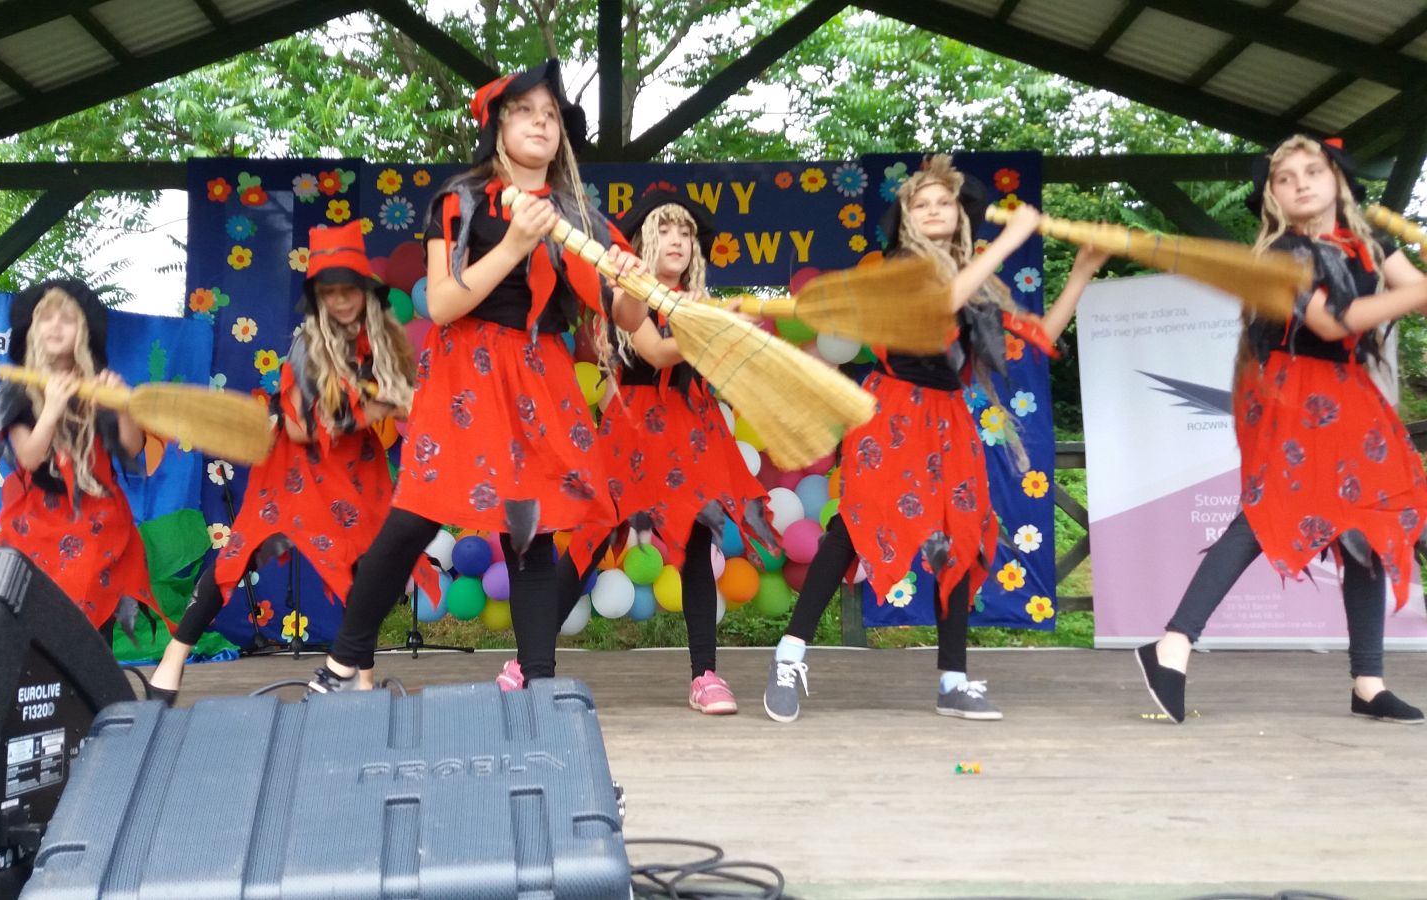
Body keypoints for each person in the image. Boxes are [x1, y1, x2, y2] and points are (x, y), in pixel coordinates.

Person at [307, 59, 648, 694]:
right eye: (525, 111)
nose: (541, 122)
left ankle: (540, 687)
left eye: (551, 115)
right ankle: (342, 663)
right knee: (415, 517)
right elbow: (440, 304)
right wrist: (516, 243)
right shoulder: (460, 199)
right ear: (497, 127)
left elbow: (623, 314)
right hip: (468, 371)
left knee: (531, 532)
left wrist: (634, 285)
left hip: (539, 375)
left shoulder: (579, 216)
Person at [763, 155, 1102, 723]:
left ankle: (952, 679)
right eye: (921, 204)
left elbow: (1039, 335)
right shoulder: (903, 269)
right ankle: (788, 657)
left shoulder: (978, 282)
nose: (934, 210)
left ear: (959, 216)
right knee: (854, 528)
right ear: (907, 219)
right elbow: (941, 302)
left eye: (944, 202)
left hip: (949, 422)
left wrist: (1083, 272)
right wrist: (1012, 236)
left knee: (960, 539)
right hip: (893, 412)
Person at [1137, 135, 1427, 725]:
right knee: (1269, 513)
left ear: (1338, 180)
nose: (1300, 183)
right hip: (1290, 389)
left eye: (1312, 171)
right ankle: (1173, 643)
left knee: (1368, 520)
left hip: (1350, 392)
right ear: (1272, 195)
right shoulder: (1283, 253)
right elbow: (1334, 322)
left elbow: (1417, 299)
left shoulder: (1374, 244)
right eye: (1284, 177)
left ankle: (1368, 681)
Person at [145, 222, 419, 705]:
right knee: (236, 557)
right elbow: (299, 429)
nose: (340, 300)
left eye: (348, 289)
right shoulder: (307, 347)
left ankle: (362, 677)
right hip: (294, 472)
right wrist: (373, 407)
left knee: (365, 564)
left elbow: (403, 400)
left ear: (365, 291)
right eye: (329, 291)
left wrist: (393, 401)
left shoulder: (384, 342)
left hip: (353, 470)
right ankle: (173, 659)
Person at [555, 185, 779, 711]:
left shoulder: (700, 304)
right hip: (631, 433)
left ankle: (706, 677)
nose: (676, 239)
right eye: (664, 228)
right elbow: (655, 353)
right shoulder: (623, 293)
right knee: (589, 543)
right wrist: (718, 329)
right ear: (641, 242)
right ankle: (528, 661)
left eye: (685, 231)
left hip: (691, 433)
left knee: (697, 543)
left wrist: (727, 331)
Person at [0, 279, 167, 641]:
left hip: (96, 523)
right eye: (46, 318)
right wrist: (51, 408)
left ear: (83, 331)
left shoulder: (98, 384)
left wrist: (122, 405)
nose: (55, 326)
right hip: (38, 524)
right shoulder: (18, 388)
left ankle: (91, 673)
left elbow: (131, 448)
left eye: (67, 319)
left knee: (90, 629)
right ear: (33, 329)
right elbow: (29, 457)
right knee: (36, 623)